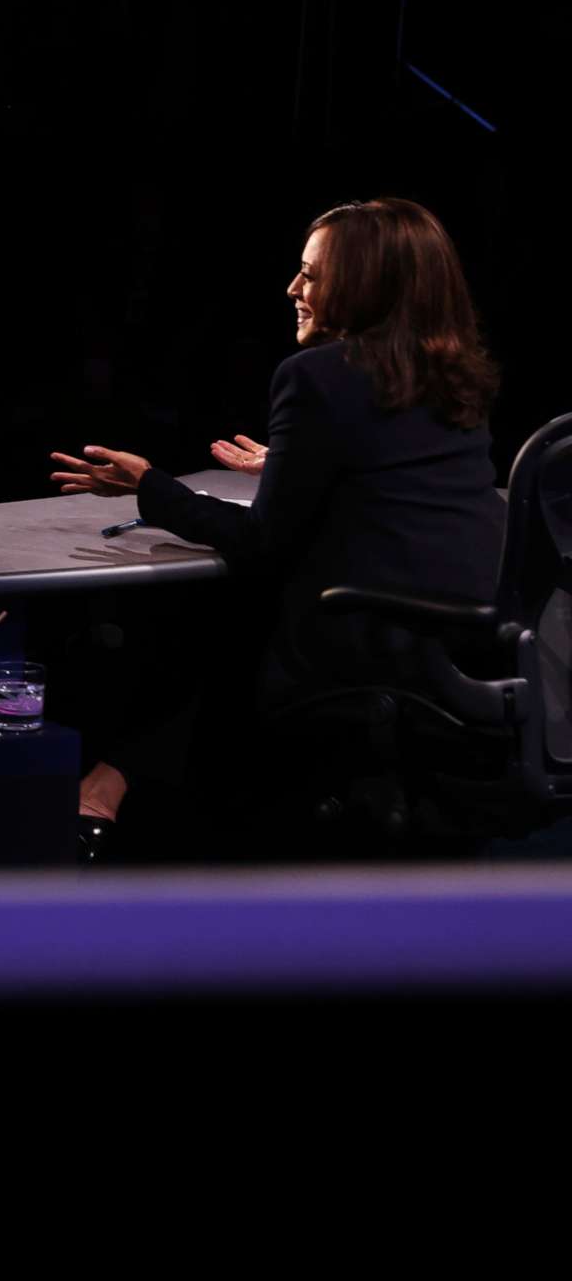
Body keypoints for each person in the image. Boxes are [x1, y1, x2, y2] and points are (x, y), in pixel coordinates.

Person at [50, 197, 505, 848]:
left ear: (363, 282)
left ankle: (119, 781)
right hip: (464, 641)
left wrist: (148, 486)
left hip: (372, 645)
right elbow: (398, 485)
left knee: (229, 600)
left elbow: (262, 541)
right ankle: (121, 772)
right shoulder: (454, 374)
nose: (293, 288)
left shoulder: (315, 376)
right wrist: (295, 465)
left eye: (311, 274)